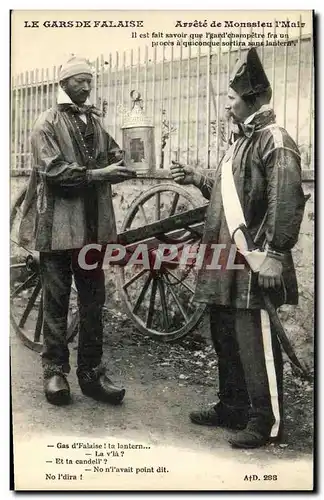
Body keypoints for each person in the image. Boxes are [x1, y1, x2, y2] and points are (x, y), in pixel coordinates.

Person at [170, 47, 305, 448]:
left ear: (253, 98)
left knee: (255, 340)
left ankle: (266, 421)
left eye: (231, 99)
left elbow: (286, 201)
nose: (227, 106)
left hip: (254, 262)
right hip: (223, 260)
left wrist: (276, 255)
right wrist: (198, 177)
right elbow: (232, 197)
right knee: (225, 334)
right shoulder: (239, 142)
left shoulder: (275, 141)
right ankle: (232, 406)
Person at [19, 55, 137, 406]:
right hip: (57, 227)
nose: (87, 86)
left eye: (90, 80)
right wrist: (99, 175)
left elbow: (115, 153)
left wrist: (134, 153)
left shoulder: (94, 121)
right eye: (80, 81)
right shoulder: (46, 123)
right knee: (55, 301)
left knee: (92, 302)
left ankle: (91, 374)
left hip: (91, 229)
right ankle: (55, 372)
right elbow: (55, 173)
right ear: (64, 83)